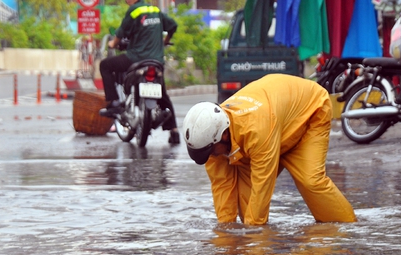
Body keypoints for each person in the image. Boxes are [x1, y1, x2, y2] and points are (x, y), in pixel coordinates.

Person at [183, 74, 357, 225]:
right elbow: (222, 186)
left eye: (212, 151)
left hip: (309, 113)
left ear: (224, 136)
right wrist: (226, 233)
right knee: (246, 208)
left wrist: (254, 240)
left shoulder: (256, 131)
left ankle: (347, 228)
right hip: (275, 123)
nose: (213, 156)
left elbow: (262, 186)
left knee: (310, 181)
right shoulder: (211, 134)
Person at [99, 0, 180, 144]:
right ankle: (174, 131)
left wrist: (112, 44)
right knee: (162, 93)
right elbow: (173, 25)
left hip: (136, 59)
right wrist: (165, 41)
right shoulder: (154, 10)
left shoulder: (134, 11)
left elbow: (120, 33)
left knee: (105, 65)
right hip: (157, 61)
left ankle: (114, 103)